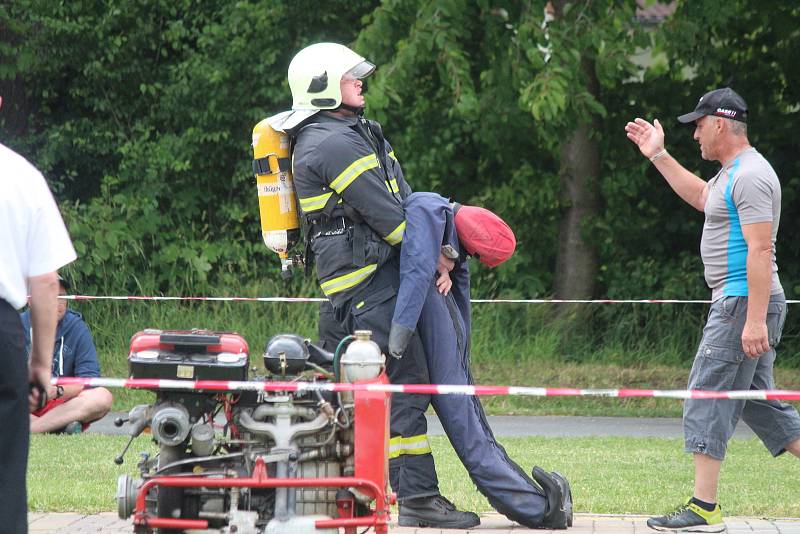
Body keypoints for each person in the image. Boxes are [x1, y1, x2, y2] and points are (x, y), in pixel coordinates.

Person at [267, 43, 479, 528]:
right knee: (406, 388)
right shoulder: (334, 143)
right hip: (371, 288)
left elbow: (400, 200)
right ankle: (418, 498)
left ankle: (328, 493)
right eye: (350, 77)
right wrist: (439, 258)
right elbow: (393, 221)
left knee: (337, 397)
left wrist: (436, 255)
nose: (360, 82)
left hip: (358, 286)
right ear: (322, 86)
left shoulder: (345, 133)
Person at [625, 87, 800, 532]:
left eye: (699, 125)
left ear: (720, 123)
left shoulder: (752, 175)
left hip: (742, 304)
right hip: (742, 302)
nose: (695, 135)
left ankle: (704, 509)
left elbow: (761, 249)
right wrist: (658, 155)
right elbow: (703, 198)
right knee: (762, 406)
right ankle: (705, 507)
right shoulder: (730, 174)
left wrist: (755, 319)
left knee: (706, 396)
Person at [388, 191, 573, 529]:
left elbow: (451, 280)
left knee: (473, 431)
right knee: (470, 432)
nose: (464, 258)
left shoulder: (440, 218)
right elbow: (416, 272)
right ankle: (537, 509)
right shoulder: (427, 212)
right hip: (441, 348)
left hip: (447, 350)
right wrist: (399, 336)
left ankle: (537, 505)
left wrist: (444, 260)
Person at [1, 133, 77, 531]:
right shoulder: (20, 175)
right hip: (2, 332)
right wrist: (39, 364)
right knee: (6, 469)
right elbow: (47, 281)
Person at [21, 275, 113, 434]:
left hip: (62, 404)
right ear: (30, 301)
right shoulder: (15, 326)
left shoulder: (77, 328)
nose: (57, 303)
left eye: (62, 297)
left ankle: (35, 428)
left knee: (103, 397)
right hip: (23, 402)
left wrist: (56, 391)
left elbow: (89, 380)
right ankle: (59, 427)